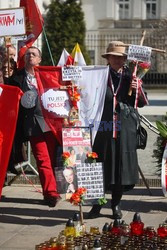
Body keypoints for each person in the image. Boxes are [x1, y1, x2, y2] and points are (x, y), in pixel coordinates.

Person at [87, 41, 148, 219]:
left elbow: (142, 102)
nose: (117, 60)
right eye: (113, 56)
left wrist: (138, 89)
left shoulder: (131, 75)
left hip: (124, 126)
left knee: (120, 167)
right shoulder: (99, 75)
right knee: (99, 165)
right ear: (108, 58)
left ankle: (116, 205)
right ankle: (97, 206)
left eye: (120, 57)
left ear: (125, 60)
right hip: (103, 125)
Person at [9, 46, 61, 207]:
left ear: (39, 59)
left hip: (49, 123)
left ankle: (53, 190)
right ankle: (50, 193)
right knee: (42, 158)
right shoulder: (17, 77)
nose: (30, 56)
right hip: (31, 124)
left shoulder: (48, 75)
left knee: (52, 159)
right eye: (28, 54)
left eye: (34, 54)